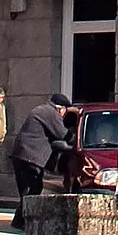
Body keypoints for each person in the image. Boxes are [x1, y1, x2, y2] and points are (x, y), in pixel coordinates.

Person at [7, 92, 72, 220]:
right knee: (32, 190)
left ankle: (19, 221)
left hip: (22, 155)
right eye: (65, 111)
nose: (64, 115)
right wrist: (76, 139)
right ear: (61, 108)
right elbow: (63, 135)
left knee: (28, 190)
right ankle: (24, 221)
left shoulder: (41, 110)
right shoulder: (51, 113)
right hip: (29, 157)